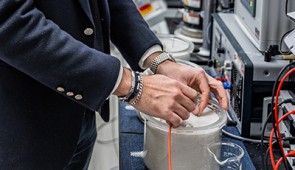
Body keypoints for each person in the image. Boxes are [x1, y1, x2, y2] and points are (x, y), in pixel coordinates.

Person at [0, 0, 228, 169]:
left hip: (80, 115)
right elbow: (9, 21)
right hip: (24, 131)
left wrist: (158, 60)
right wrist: (131, 84)